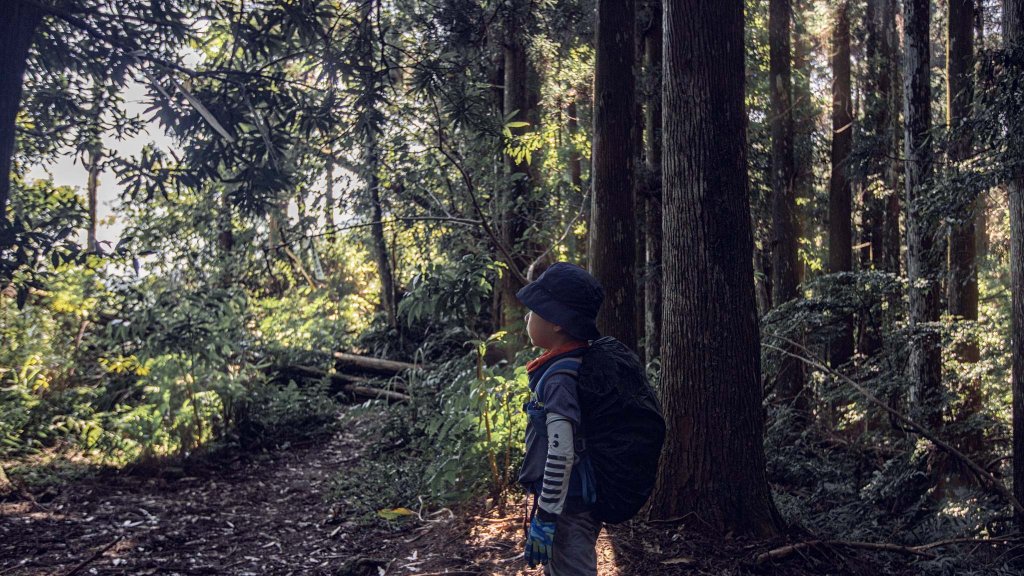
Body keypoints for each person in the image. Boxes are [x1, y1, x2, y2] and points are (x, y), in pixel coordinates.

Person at [515, 262, 604, 576]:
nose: (528, 316)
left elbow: (562, 452)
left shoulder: (558, 380)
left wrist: (547, 516)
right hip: (576, 497)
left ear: (557, 323)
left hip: (569, 506)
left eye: (535, 309)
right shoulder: (578, 361)